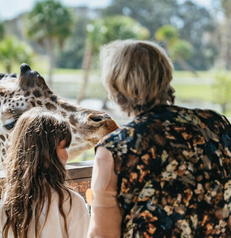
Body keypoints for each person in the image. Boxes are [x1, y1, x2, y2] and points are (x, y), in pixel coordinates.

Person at [87, 39, 231, 238]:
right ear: (165, 75)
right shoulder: (217, 125)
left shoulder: (116, 148)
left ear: (116, 86)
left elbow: (102, 234)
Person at [0, 107, 90, 238]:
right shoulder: (72, 202)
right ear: (46, 153)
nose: (67, 155)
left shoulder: (7, 202)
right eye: (64, 147)